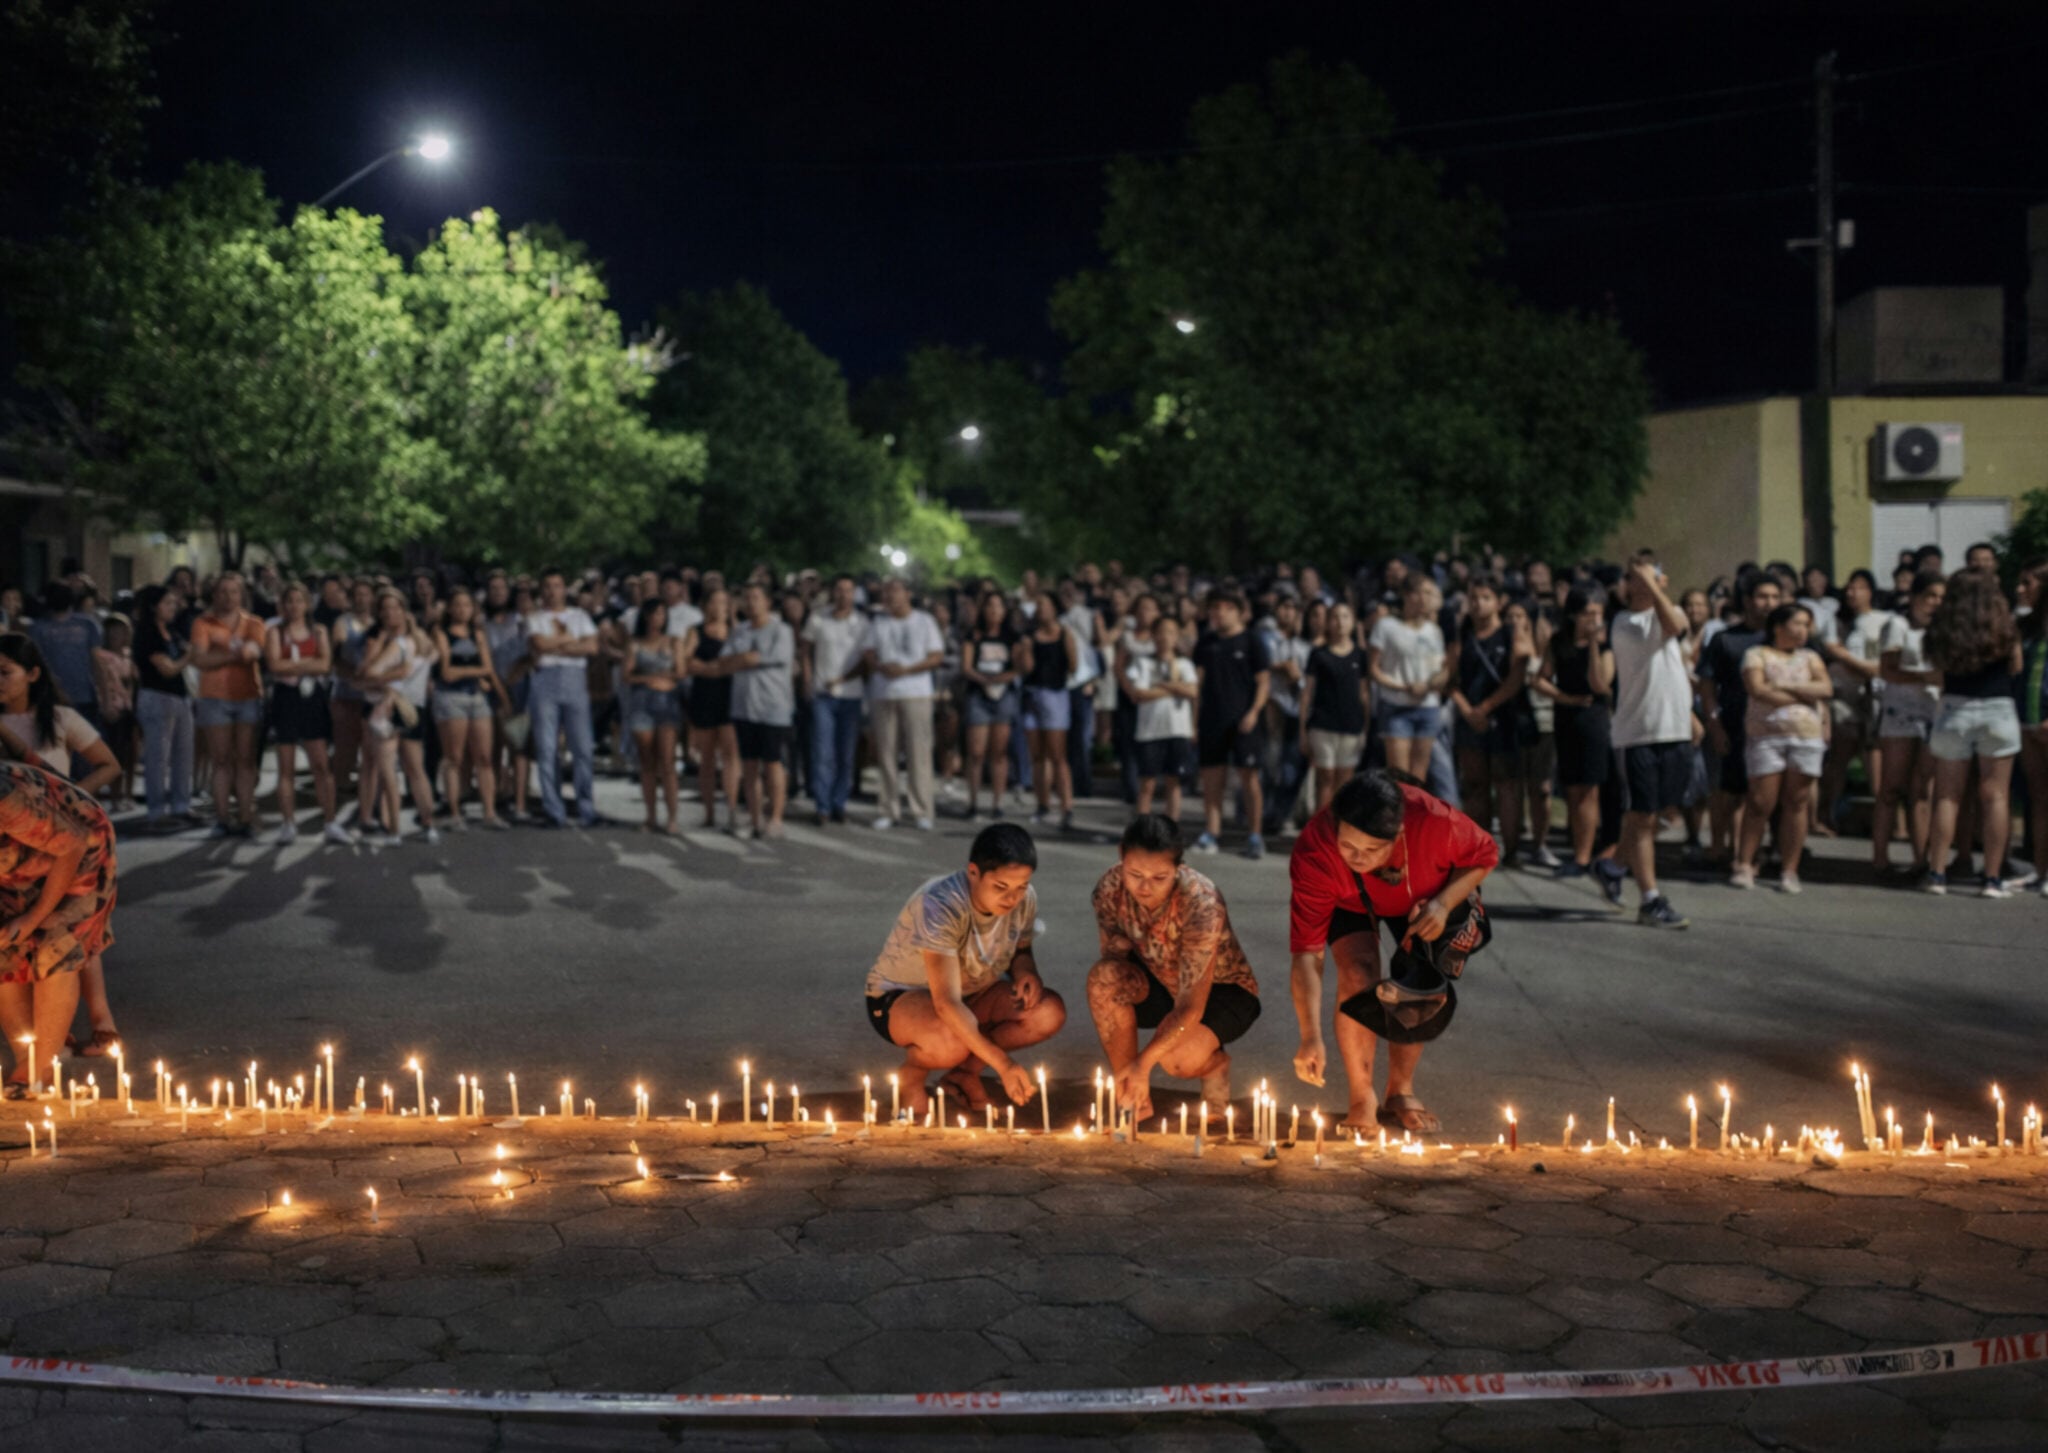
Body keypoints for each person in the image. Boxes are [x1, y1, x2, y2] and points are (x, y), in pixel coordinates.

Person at [1287, 771, 1498, 1135]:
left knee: (1418, 981)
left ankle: (1400, 1089)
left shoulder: (1436, 822)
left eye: (1372, 850)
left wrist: (1444, 905)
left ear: (1398, 836)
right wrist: (1309, 1036)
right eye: (1349, 847)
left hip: (1423, 899)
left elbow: (1484, 855)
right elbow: (1307, 955)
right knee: (1357, 971)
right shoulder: (1315, 852)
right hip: (1348, 901)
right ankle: (1361, 1096)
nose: (1359, 859)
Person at [864, 822, 1064, 1118]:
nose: (1012, 898)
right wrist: (1004, 1065)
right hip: (905, 998)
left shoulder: (1024, 898)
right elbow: (946, 1003)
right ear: (973, 873)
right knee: (950, 1041)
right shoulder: (939, 904)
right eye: (1001, 887)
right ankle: (912, 1075)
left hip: (975, 991)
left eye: (1021, 886)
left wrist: (1025, 971)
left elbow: (1021, 948)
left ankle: (965, 1073)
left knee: (1047, 1012)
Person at [1088, 814, 1260, 1119]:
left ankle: (1214, 1064)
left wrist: (1145, 1062)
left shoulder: (1201, 903)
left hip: (1222, 992)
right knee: (1104, 979)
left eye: (1159, 878)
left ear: (1178, 868)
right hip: (1159, 980)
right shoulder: (1109, 889)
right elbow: (1114, 962)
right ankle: (1131, 1094)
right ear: (1121, 856)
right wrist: (1132, 1065)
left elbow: (1191, 1006)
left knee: (1176, 1061)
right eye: (1135, 873)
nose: (1144, 887)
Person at [0, 760, 120, 1100]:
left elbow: (73, 845)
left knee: (55, 949)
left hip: (80, 850)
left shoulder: (6, 799)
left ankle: (37, 1069)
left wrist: (34, 917)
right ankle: (31, 1062)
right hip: (13, 867)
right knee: (4, 951)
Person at [1606, 553, 1695, 928]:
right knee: (1642, 816)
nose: (1639, 582)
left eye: (1648, 576)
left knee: (1665, 814)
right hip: (1639, 733)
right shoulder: (1624, 622)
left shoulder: (1674, 612)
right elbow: (1666, 630)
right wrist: (1650, 583)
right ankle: (1650, 899)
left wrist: (1692, 717)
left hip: (1676, 729)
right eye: (1633, 577)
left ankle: (1612, 865)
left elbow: (1675, 625)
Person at [1923, 569, 2024, 897]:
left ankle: (1936, 873)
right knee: (1995, 796)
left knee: (1947, 795)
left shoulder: (1942, 626)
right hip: (1997, 708)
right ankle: (1992, 878)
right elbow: (2016, 667)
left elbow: (1936, 669)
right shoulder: (2005, 625)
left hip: (1955, 708)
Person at [1730, 605, 1832, 892]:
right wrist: (1803, 695)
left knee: (1797, 802)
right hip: (1767, 736)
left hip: (1805, 737)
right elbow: (1758, 689)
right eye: (1797, 623)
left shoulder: (1811, 657)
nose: (1803, 630)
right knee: (1760, 802)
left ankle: (1790, 868)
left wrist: (1784, 684)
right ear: (1779, 626)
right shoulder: (1757, 654)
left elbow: (1825, 689)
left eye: (1806, 625)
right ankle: (1745, 863)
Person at [1699, 573, 1784, 870]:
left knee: (1770, 797)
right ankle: (1734, 851)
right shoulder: (1726, 639)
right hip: (1736, 726)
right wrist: (1714, 724)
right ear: (1747, 601)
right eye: (1763, 597)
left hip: (1778, 728)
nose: (1769, 603)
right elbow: (1707, 685)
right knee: (1734, 792)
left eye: (1775, 597)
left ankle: (1769, 851)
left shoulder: (1787, 639)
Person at [1536, 588, 1614, 877]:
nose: (1593, 619)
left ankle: (1584, 855)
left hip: (1594, 719)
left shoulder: (1607, 646)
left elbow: (1600, 683)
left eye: (1598, 613)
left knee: (1589, 790)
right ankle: (1578, 849)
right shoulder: (1559, 642)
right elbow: (1540, 679)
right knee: (1572, 789)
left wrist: (1593, 644)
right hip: (1567, 717)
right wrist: (1565, 698)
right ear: (1574, 615)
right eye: (1587, 614)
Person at [1450, 576, 1529, 860]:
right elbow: (1451, 679)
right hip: (1469, 718)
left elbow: (1517, 676)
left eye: (1485, 597)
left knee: (1506, 783)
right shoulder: (1463, 635)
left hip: (1502, 716)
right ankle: (1479, 849)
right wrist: (1467, 710)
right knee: (1474, 785)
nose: (1478, 604)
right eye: (1473, 598)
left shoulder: (1510, 634)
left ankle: (1511, 850)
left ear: (1498, 602)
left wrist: (1486, 707)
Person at [355, 592, 441, 846]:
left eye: (394, 608)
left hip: (393, 708)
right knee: (410, 770)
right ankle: (424, 825)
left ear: (403, 611)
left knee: (394, 770)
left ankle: (399, 829)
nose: (390, 614)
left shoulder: (399, 644)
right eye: (386, 609)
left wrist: (389, 676)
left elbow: (368, 673)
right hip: (412, 708)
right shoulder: (421, 641)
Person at [1874, 570, 1945, 877]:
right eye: (1930, 596)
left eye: (1942, 598)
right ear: (1915, 597)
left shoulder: (1944, 630)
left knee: (1921, 789)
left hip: (1933, 712)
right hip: (1900, 711)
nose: (1935, 603)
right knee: (1891, 786)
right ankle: (1880, 857)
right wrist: (1924, 677)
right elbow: (1887, 669)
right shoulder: (1898, 625)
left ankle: (1922, 860)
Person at [263, 583, 345, 846]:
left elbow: (325, 664)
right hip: (286, 700)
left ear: (307, 604)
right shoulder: (275, 632)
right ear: (283, 605)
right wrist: (307, 664)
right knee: (285, 766)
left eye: (299, 601)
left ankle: (330, 821)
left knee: (320, 764)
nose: (294, 606)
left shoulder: (318, 630)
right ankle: (288, 823)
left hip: (312, 699)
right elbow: (274, 664)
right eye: (289, 601)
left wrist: (294, 666)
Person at [188, 573, 269, 837]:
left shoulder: (254, 623)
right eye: (223, 591)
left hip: (247, 695)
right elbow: (200, 659)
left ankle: (246, 816)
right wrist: (234, 653)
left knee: (245, 760)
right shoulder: (202, 623)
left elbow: (252, 653)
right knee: (220, 760)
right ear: (215, 594)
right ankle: (222, 818)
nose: (228, 597)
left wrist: (218, 653)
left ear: (241, 594)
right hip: (214, 697)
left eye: (234, 591)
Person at [863, 579, 946, 832]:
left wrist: (907, 670)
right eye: (886, 593)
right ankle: (888, 809)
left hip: (916, 693)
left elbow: (936, 656)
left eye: (895, 592)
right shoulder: (878, 622)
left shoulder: (924, 621)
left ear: (908, 594)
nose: (890, 597)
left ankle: (921, 809)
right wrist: (881, 667)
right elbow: (868, 652)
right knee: (886, 754)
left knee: (918, 754)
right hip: (884, 693)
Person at [1193, 590, 1271, 859]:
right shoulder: (1206, 643)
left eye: (1226, 607)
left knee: (1249, 779)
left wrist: (1254, 712)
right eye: (1215, 607)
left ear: (1239, 611)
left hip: (1244, 721)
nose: (1220, 612)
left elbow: (1263, 681)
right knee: (1212, 779)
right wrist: (1193, 722)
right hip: (1212, 719)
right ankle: (1211, 833)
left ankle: (1255, 835)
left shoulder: (1252, 641)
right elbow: (1197, 686)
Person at [717, 583, 796, 839]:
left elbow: (759, 659)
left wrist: (743, 659)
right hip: (743, 708)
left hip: (773, 707)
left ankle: (776, 817)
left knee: (773, 763)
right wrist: (744, 659)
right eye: (746, 598)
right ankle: (755, 819)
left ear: (767, 602)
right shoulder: (738, 631)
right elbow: (724, 662)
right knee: (749, 765)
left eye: (756, 598)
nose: (751, 603)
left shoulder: (781, 631)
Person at [524, 569, 601, 829]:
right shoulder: (535, 618)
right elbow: (539, 646)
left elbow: (591, 647)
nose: (552, 590)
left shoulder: (579, 616)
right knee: (547, 749)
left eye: (557, 585)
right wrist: (569, 640)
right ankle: (553, 809)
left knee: (582, 748)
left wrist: (555, 643)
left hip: (574, 680)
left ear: (564, 588)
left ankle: (586, 807)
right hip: (546, 680)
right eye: (547, 586)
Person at [1815, 569, 1890, 839]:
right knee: (1839, 759)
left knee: (1877, 762)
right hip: (1843, 700)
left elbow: (1882, 665)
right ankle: (1824, 815)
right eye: (1848, 587)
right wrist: (1859, 666)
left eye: (1858, 587)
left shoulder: (1885, 621)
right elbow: (1831, 652)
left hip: (1875, 699)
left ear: (1871, 591)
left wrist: (1849, 660)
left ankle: (1889, 824)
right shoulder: (1836, 622)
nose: (1852, 593)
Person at [434, 587, 505, 832]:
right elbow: (446, 673)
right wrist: (474, 672)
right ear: (450, 608)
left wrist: (465, 672)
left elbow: (487, 668)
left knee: (484, 757)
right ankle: (454, 812)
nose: (463, 609)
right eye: (458, 605)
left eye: (467, 605)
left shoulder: (478, 634)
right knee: (454, 757)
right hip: (451, 698)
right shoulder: (441, 633)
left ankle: (489, 811)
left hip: (477, 698)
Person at [1368, 574, 1449, 784]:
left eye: (1429, 593)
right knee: (1399, 777)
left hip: (1428, 707)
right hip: (1396, 706)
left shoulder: (1434, 631)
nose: (1424, 599)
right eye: (1419, 593)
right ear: (1406, 595)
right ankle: (1397, 817)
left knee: (1418, 778)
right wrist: (1403, 687)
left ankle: (1413, 817)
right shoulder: (1386, 626)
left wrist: (1430, 684)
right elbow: (1374, 669)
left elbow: (1442, 669)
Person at [803, 574, 870, 826]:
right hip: (822, 695)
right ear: (833, 592)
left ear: (854, 594)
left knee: (845, 754)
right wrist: (808, 678)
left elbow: (866, 661)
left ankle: (839, 802)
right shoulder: (819, 617)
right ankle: (822, 805)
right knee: (823, 752)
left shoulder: (862, 622)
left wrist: (842, 679)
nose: (843, 595)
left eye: (848, 590)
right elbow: (806, 649)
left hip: (850, 696)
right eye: (839, 589)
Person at [617, 599, 683, 833]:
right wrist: (650, 678)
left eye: (662, 614)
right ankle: (651, 816)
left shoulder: (674, 641)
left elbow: (681, 671)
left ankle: (672, 817)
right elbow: (626, 675)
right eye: (654, 613)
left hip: (667, 702)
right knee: (647, 762)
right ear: (646, 616)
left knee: (668, 762)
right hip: (642, 702)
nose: (658, 618)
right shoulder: (635, 644)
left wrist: (664, 676)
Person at [1123, 614, 1198, 820]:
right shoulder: (1143, 663)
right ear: (1154, 635)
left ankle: (1171, 830)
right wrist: (1175, 688)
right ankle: (1142, 830)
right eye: (1161, 631)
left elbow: (1192, 691)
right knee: (1147, 783)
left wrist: (1161, 686)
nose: (1165, 637)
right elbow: (1138, 694)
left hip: (1177, 730)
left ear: (1177, 637)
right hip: (1150, 731)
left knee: (1174, 783)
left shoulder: (1184, 664)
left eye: (1171, 632)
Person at [1504, 597, 1560, 869]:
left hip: (1547, 723)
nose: (1514, 621)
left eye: (1520, 616)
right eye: (1510, 616)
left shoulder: (1550, 646)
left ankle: (1540, 843)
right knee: (1516, 786)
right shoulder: (1514, 645)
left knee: (1541, 788)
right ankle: (1513, 847)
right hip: (1519, 722)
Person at [1298, 600, 1369, 815]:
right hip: (1323, 724)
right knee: (1325, 779)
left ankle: (1339, 833)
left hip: (1351, 726)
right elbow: (1308, 692)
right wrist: (1302, 730)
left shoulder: (1360, 655)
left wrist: (1366, 726)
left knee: (1344, 783)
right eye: (1335, 617)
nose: (1340, 622)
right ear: (1328, 622)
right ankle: (1322, 832)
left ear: (1353, 621)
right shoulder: (1319, 654)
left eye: (1345, 616)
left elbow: (1364, 693)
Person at [131, 585, 193, 830]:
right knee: (158, 757)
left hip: (179, 697)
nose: (172, 607)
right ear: (154, 606)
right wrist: (189, 657)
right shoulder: (147, 633)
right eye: (167, 603)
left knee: (183, 754)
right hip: (156, 696)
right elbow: (167, 668)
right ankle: (156, 811)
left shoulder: (172, 631)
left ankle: (181, 805)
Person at [960, 591, 1023, 821]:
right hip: (978, 694)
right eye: (990, 606)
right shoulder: (973, 636)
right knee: (976, 752)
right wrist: (983, 679)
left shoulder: (1011, 637)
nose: (994, 611)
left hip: (1004, 695)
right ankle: (973, 801)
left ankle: (997, 802)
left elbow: (1019, 666)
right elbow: (965, 665)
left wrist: (1002, 679)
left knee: (999, 752)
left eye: (998, 606)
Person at [685, 586, 741, 832]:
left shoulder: (737, 632)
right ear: (706, 605)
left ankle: (730, 808)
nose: (719, 607)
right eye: (715, 602)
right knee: (706, 757)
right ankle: (708, 812)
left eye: (724, 602)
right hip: (705, 696)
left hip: (731, 697)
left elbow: (741, 660)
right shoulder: (695, 632)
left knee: (731, 755)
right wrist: (714, 668)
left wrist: (712, 667)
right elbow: (686, 662)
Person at [1021, 590, 1079, 830]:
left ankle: (1067, 807)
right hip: (1032, 695)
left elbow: (1074, 666)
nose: (1041, 609)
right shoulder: (1029, 637)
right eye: (1038, 605)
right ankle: (1042, 803)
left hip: (1055, 695)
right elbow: (1026, 669)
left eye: (1045, 604)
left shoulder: (1065, 634)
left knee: (1057, 755)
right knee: (1037, 755)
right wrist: (1025, 650)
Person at [27, 581, 102, 727]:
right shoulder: (37, 628)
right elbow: (40, 662)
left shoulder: (88, 624)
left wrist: (103, 694)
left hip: (84, 695)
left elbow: (97, 661)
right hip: (52, 697)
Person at [2017, 564, 2048, 898]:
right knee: (2038, 800)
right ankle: (2041, 871)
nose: (2021, 589)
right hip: (2027, 720)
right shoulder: (2028, 626)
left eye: (2027, 583)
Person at [90, 615, 138, 811]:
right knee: (114, 754)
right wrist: (107, 705)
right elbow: (101, 682)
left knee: (132, 753)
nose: (117, 635)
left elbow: (134, 682)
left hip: (130, 709)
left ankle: (128, 794)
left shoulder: (129, 655)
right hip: (112, 708)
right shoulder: (100, 655)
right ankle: (115, 796)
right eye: (112, 631)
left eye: (121, 630)